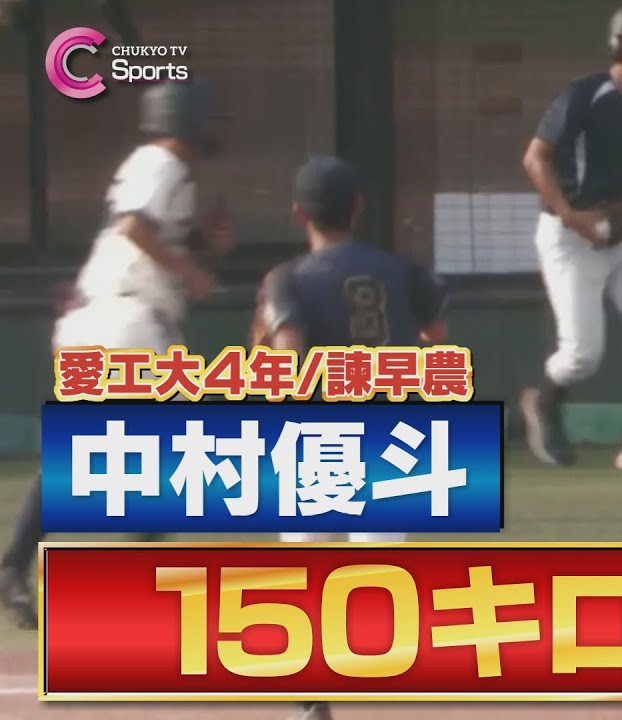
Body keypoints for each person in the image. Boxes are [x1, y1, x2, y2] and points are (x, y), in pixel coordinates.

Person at [0, 77, 231, 630]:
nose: (214, 127)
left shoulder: (164, 170)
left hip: (103, 322)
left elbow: (152, 239)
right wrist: (190, 266)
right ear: (185, 119)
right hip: (124, 324)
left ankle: (13, 568)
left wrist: (203, 245)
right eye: (208, 116)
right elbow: (133, 226)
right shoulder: (161, 161)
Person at [252, 155, 448, 720]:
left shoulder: (287, 278)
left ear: (299, 214)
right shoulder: (403, 270)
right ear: (357, 208)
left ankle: (311, 689)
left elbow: (287, 361)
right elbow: (436, 338)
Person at [518, 2, 622, 472]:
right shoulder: (585, 95)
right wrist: (573, 216)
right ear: (617, 46)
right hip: (570, 237)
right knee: (583, 355)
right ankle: (543, 402)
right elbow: (535, 158)